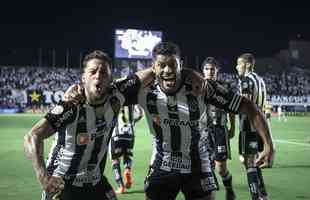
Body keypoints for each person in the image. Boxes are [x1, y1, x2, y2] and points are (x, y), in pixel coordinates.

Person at [65, 42, 274, 200]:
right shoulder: (142, 90)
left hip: (197, 163)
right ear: (153, 68)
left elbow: (248, 106)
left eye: (172, 64)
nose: (167, 70)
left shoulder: (201, 87)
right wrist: (76, 92)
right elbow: (102, 91)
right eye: (161, 65)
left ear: (180, 65)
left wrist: (269, 146)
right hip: (163, 163)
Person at [23, 50, 154, 200]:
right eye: (93, 72)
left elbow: (147, 74)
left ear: (111, 78)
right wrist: (43, 176)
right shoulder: (71, 105)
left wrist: (173, 68)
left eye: (104, 72)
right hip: (63, 183)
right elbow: (32, 136)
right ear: (84, 78)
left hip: (95, 182)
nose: (98, 75)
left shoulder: (117, 94)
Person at [236, 53, 274, 200]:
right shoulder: (261, 80)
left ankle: (255, 196)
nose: (236, 67)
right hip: (260, 127)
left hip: (249, 125)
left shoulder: (246, 81)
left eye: (239, 64)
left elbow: (245, 104)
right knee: (254, 161)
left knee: (249, 162)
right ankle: (263, 195)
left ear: (247, 64)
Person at [200, 57, 236, 200]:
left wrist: (233, 127)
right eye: (207, 69)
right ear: (203, 71)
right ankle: (210, 194)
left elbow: (232, 108)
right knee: (206, 166)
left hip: (220, 129)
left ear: (217, 71)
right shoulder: (198, 86)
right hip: (203, 131)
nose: (209, 72)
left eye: (212, 69)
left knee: (221, 168)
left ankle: (229, 188)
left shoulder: (225, 87)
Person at [110, 104, 144, 194]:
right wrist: (132, 122)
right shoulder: (133, 103)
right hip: (130, 134)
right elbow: (140, 114)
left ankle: (121, 187)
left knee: (115, 160)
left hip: (117, 134)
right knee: (127, 156)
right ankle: (127, 169)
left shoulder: (114, 100)